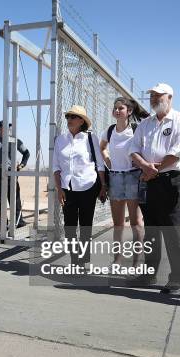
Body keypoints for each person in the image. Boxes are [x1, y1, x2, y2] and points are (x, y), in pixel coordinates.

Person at [128, 83, 180, 294]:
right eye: (152, 96)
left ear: (170, 97)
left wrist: (154, 169)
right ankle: (149, 274)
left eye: (158, 95)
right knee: (151, 232)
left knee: (171, 232)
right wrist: (146, 166)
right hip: (147, 180)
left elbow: (179, 151)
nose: (154, 98)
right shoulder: (145, 124)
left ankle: (176, 278)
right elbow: (133, 150)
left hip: (169, 180)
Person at [53, 105, 107, 266]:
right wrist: (59, 189)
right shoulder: (60, 140)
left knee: (85, 226)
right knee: (69, 227)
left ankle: (82, 262)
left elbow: (100, 165)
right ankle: (74, 259)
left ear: (82, 121)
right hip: (67, 189)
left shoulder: (91, 138)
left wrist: (103, 186)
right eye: (68, 116)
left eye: (73, 117)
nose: (69, 119)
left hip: (88, 187)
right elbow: (56, 167)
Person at [100, 97, 147, 266]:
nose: (117, 110)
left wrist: (140, 161)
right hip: (115, 177)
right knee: (118, 223)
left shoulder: (136, 129)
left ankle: (137, 261)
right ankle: (117, 260)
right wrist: (108, 161)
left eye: (121, 108)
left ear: (129, 111)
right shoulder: (110, 130)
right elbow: (102, 147)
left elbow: (145, 148)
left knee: (136, 222)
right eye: (115, 108)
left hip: (134, 177)